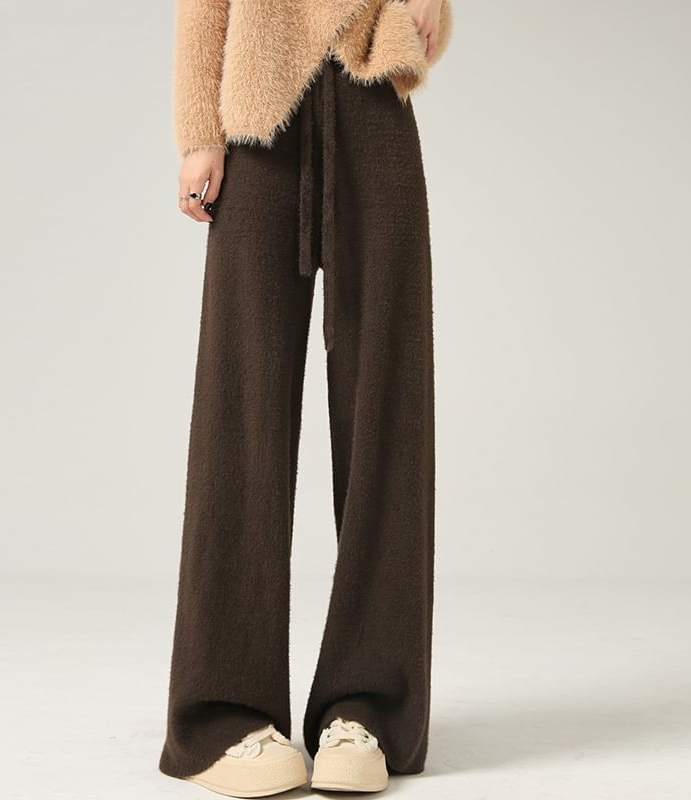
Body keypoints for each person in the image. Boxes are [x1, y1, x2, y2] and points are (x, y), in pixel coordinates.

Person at [159, 0, 452, 796]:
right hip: (257, 110)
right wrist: (198, 129)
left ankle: (370, 707)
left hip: (371, 90)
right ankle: (222, 713)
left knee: (389, 409)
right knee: (240, 411)